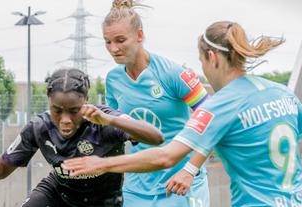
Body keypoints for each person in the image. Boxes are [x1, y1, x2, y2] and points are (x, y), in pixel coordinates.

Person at [62, 21, 302, 206]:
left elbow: (165, 157)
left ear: (212, 58)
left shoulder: (218, 105)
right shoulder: (280, 92)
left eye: (202, 62)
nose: (202, 70)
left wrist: (102, 164)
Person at [0, 68, 163, 207]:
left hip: (103, 201)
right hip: (58, 194)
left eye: (73, 110)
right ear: (48, 103)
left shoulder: (104, 121)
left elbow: (155, 137)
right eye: (57, 110)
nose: (65, 119)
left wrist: (110, 120)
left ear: (86, 101)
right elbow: (1, 169)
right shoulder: (39, 127)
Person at [89, 0, 211, 206]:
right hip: (137, 187)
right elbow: (116, 132)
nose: (113, 48)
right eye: (107, 42)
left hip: (180, 183)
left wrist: (190, 170)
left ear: (139, 35)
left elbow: (213, 121)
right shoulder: (113, 80)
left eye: (120, 40)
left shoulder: (174, 74)